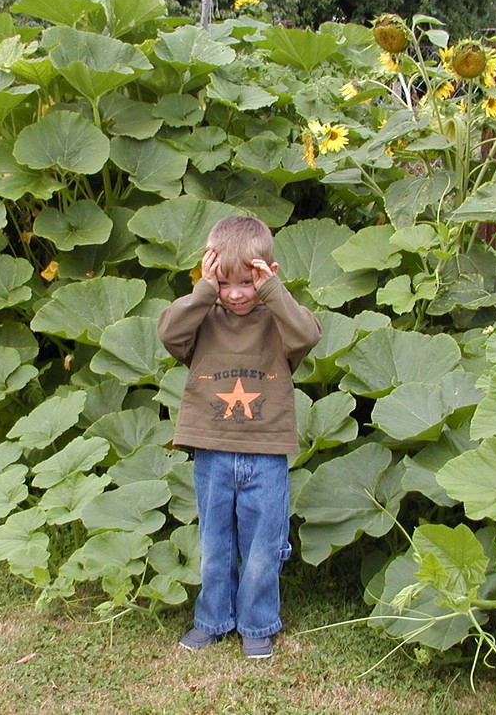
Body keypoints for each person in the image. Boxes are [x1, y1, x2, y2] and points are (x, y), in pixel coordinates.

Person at [157, 215, 322, 660]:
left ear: (266, 274)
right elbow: (169, 334)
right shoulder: (202, 317)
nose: (235, 294)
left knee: (264, 546)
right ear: (211, 275)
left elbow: (308, 334)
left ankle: (256, 623)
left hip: (267, 452)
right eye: (224, 283)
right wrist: (202, 292)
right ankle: (211, 620)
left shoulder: (278, 322)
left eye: (247, 283)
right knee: (214, 543)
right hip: (211, 450)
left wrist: (272, 292)